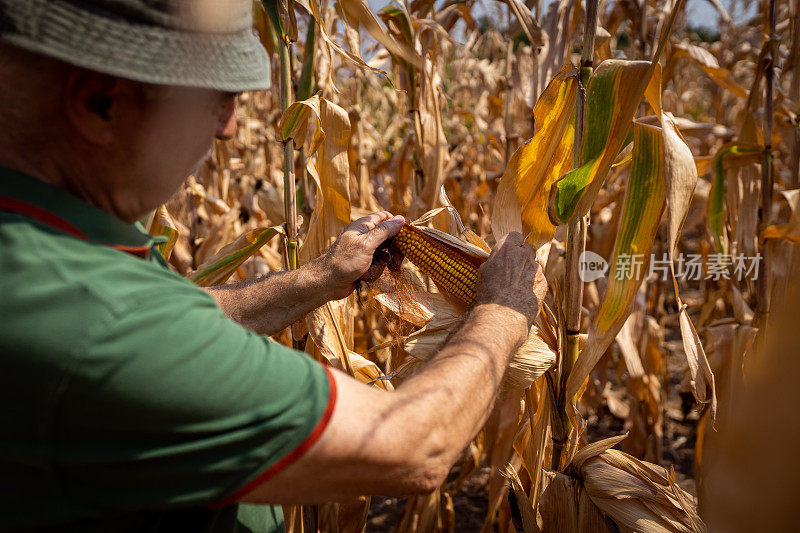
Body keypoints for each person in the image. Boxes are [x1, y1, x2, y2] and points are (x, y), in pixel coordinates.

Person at [0, 1, 547, 531]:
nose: (230, 128)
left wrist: (321, 277)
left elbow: (179, 319)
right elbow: (413, 446)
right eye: (216, 99)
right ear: (101, 103)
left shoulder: (47, 249)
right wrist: (502, 311)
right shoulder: (102, 324)